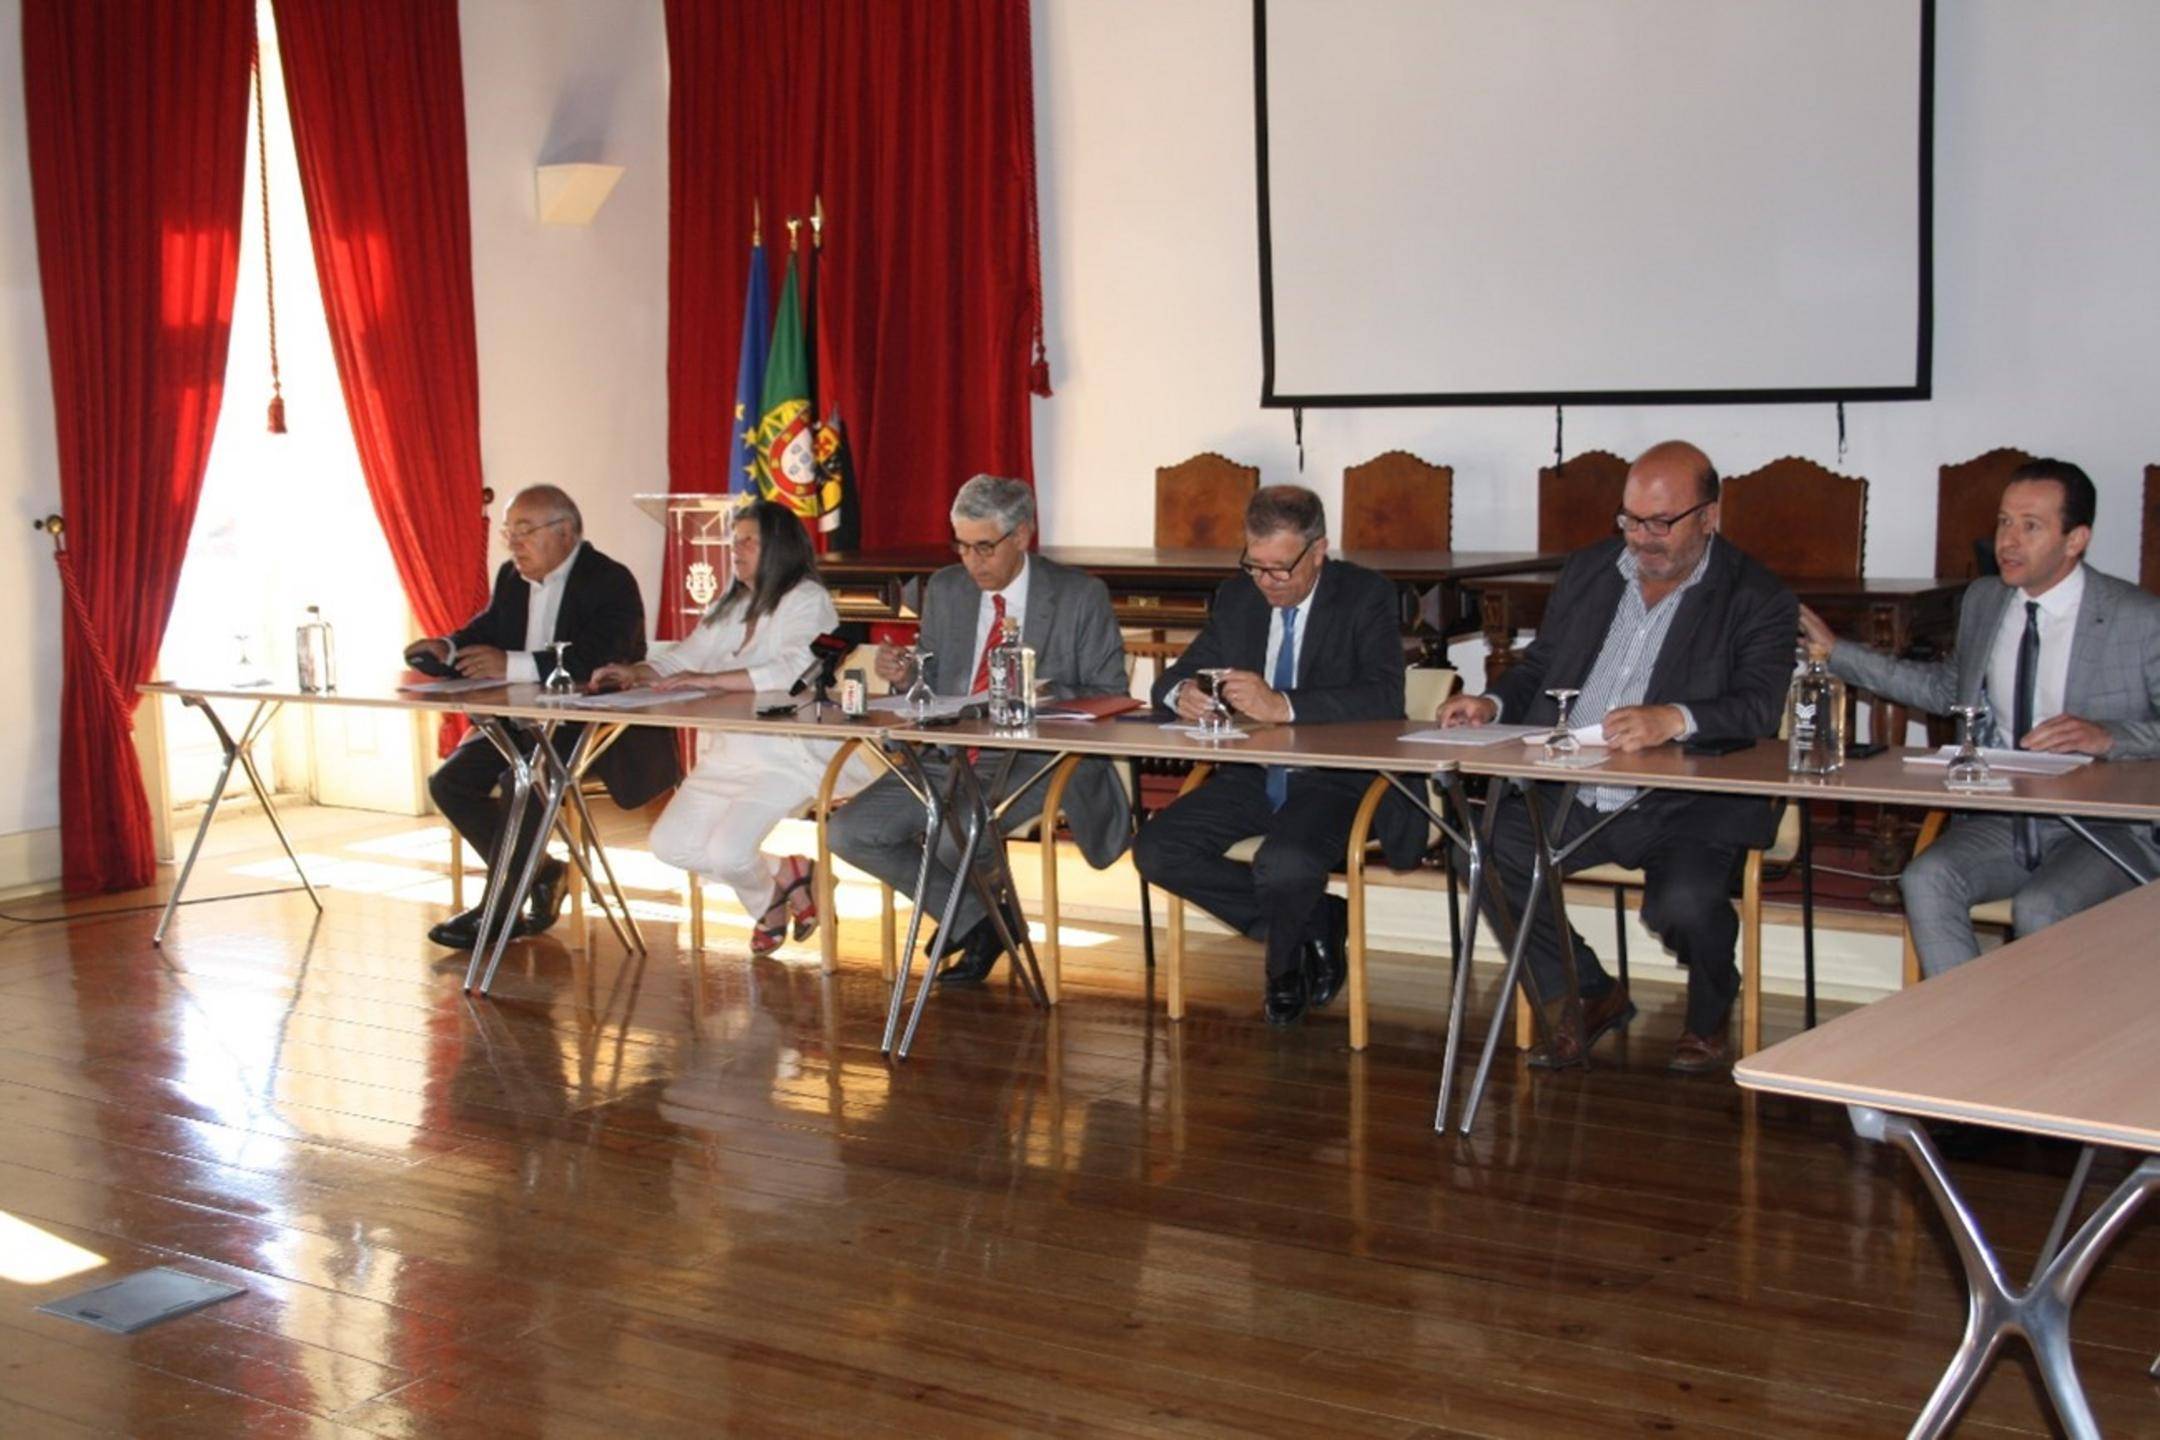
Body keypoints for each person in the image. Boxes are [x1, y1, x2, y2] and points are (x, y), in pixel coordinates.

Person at [1437, 441, 1796, 1073]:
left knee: (1683, 905)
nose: (1642, 539)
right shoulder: (1591, 571)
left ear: (1710, 516)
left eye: (1661, 522)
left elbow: (1758, 708)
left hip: (1683, 803)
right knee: (1482, 848)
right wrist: (1491, 703)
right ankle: (1585, 991)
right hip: (1573, 788)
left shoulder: (1756, 594)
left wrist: (1674, 717)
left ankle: (1711, 1006)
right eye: (1630, 520)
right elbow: (1543, 667)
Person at [1801, 458, 2160, 976]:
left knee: (2041, 907)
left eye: (2030, 526)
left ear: (2076, 539)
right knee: (1926, 879)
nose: (2007, 541)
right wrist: (1838, 652)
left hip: (2105, 828)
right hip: (2006, 817)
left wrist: (2109, 737)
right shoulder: (1985, 600)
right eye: (2003, 522)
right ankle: (1968, 1022)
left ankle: (2047, 1030)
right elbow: (1945, 691)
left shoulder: (2138, 618)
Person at [828, 474, 1132, 983]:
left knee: (956, 837)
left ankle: (971, 922)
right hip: (950, 751)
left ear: (1022, 535)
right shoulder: (948, 588)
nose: (972, 562)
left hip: (1038, 756)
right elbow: (934, 678)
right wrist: (905, 674)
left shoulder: (1079, 595)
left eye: (984, 547)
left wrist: (1038, 692)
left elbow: (1110, 692)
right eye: (962, 546)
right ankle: (979, 920)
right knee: (849, 832)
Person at [1132, 484, 1408, 1027]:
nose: (1266, 582)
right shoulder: (1239, 597)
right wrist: (1182, 692)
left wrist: (1283, 705)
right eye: (1254, 566)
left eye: (1280, 569)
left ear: (1319, 550)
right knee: (1157, 850)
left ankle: (1283, 971)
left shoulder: (1364, 594)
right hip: (1253, 773)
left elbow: (1384, 696)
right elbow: (1177, 673)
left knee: (1283, 863)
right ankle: (1314, 920)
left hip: (1332, 777)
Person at [407, 485, 679, 950]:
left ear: (566, 532)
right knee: (449, 783)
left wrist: (511, 664)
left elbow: (602, 657)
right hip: (522, 722)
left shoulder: (609, 580)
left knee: (525, 778)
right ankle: (545, 873)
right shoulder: (512, 578)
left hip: (591, 725)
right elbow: (488, 628)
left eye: (525, 531)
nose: (514, 543)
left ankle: (500, 911)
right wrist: (447, 647)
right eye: (509, 533)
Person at [592, 499, 869, 956]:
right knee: (669, 845)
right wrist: (636, 672)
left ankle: (772, 901)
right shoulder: (733, 602)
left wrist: (710, 680)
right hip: (726, 755)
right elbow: (685, 657)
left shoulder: (807, 599)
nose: (734, 550)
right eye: (734, 541)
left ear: (778, 547)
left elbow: (796, 670)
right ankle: (787, 876)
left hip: (782, 758)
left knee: (728, 853)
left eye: (747, 541)